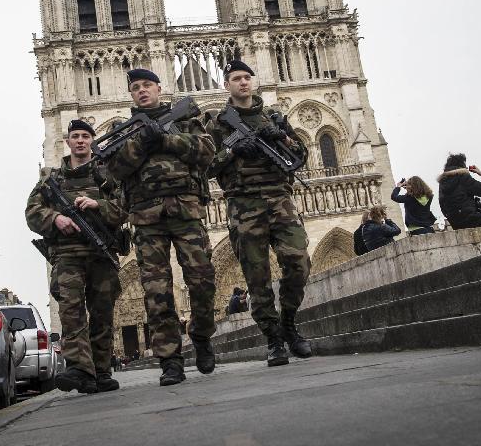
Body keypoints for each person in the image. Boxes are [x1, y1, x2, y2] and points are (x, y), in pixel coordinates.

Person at [105, 68, 217, 386]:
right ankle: (169, 360)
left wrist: (166, 138)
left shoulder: (183, 118)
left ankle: (201, 336)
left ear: (158, 88)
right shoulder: (122, 130)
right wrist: (142, 143)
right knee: (157, 293)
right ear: (131, 94)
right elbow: (113, 170)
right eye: (135, 87)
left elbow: (207, 153)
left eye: (147, 86)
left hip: (186, 211)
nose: (142, 91)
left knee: (203, 280)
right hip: (146, 218)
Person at [205, 60, 313, 367]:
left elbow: (299, 157)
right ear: (227, 85)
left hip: (280, 200)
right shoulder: (217, 125)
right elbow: (207, 167)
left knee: (299, 263)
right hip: (243, 205)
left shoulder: (275, 117)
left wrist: (280, 137)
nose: (242, 83)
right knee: (257, 277)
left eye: (246, 77)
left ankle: (289, 322)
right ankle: (274, 339)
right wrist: (234, 150)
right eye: (235, 79)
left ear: (253, 82)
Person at [25, 119, 125, 394]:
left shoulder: (108, 176)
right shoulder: (51, 179)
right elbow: (32, 213)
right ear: (67, 142)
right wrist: (55, 218)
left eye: (85, 136)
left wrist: (98, 205)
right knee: (71, 313)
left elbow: (125, 209)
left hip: (101, 253)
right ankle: (80, 370)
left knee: (102, 312)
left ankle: (102, 370)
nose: (80, 140)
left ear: (92, 141)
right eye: (75, 136)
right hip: (67, 256)